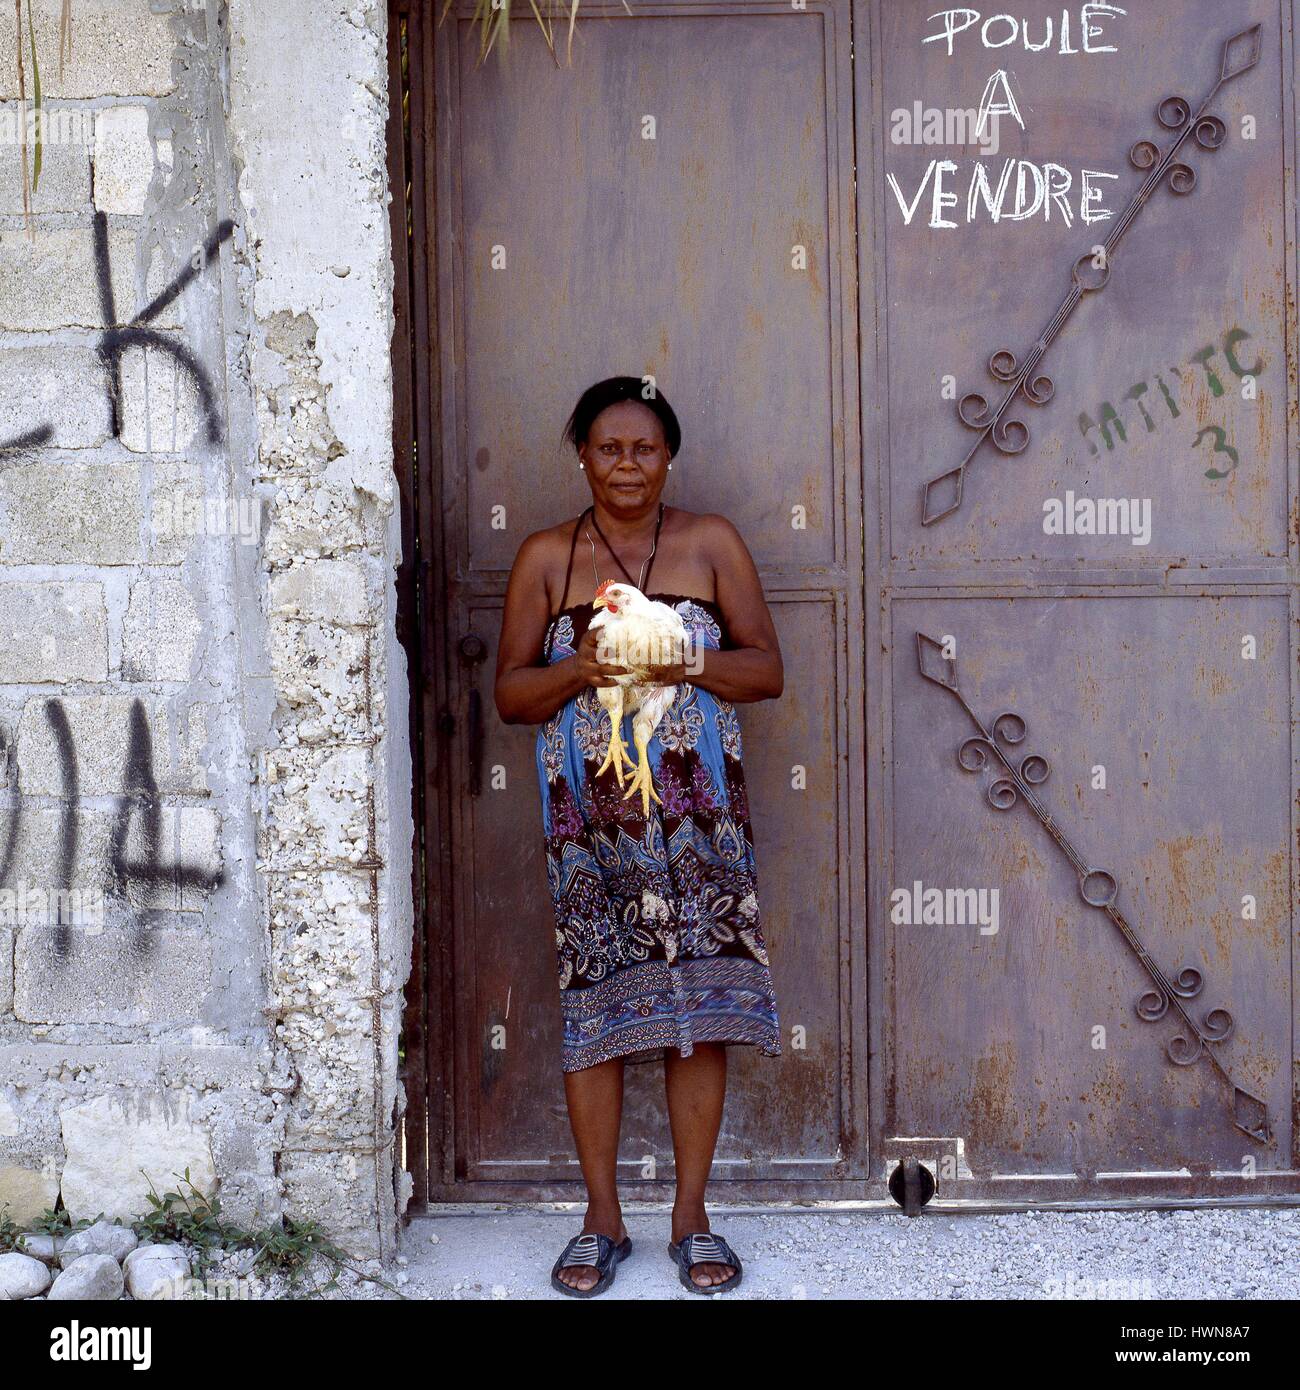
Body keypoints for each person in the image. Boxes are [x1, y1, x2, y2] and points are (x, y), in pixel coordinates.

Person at [495, 377, 784, 1296]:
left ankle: (692, 1220)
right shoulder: (546, 556)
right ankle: (601, 1222)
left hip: (702, 824)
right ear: (581, 453)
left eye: (645, 449)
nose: (628, 465)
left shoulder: (709, 543)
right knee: (601, 1008)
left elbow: (766, 670)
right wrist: (579, 670)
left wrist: (684, 658)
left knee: (698, 1012)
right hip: (592, 826)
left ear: (669, 457)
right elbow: (509, 695)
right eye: (610, 448)